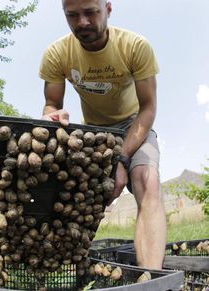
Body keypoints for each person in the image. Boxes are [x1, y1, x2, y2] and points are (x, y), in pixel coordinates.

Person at [39, 0, 166, 269]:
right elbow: (52, 103)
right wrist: (52, 115)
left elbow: (149, 108)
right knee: (79, 198)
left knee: (147, 180)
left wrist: (122, 159)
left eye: (90, 12)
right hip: (93, 132)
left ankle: (151, 278)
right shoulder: (57, 53)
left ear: (108, 9)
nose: (82, 22)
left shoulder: (134, 46)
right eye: (72, 15)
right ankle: (68, 266)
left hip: (134, 125)